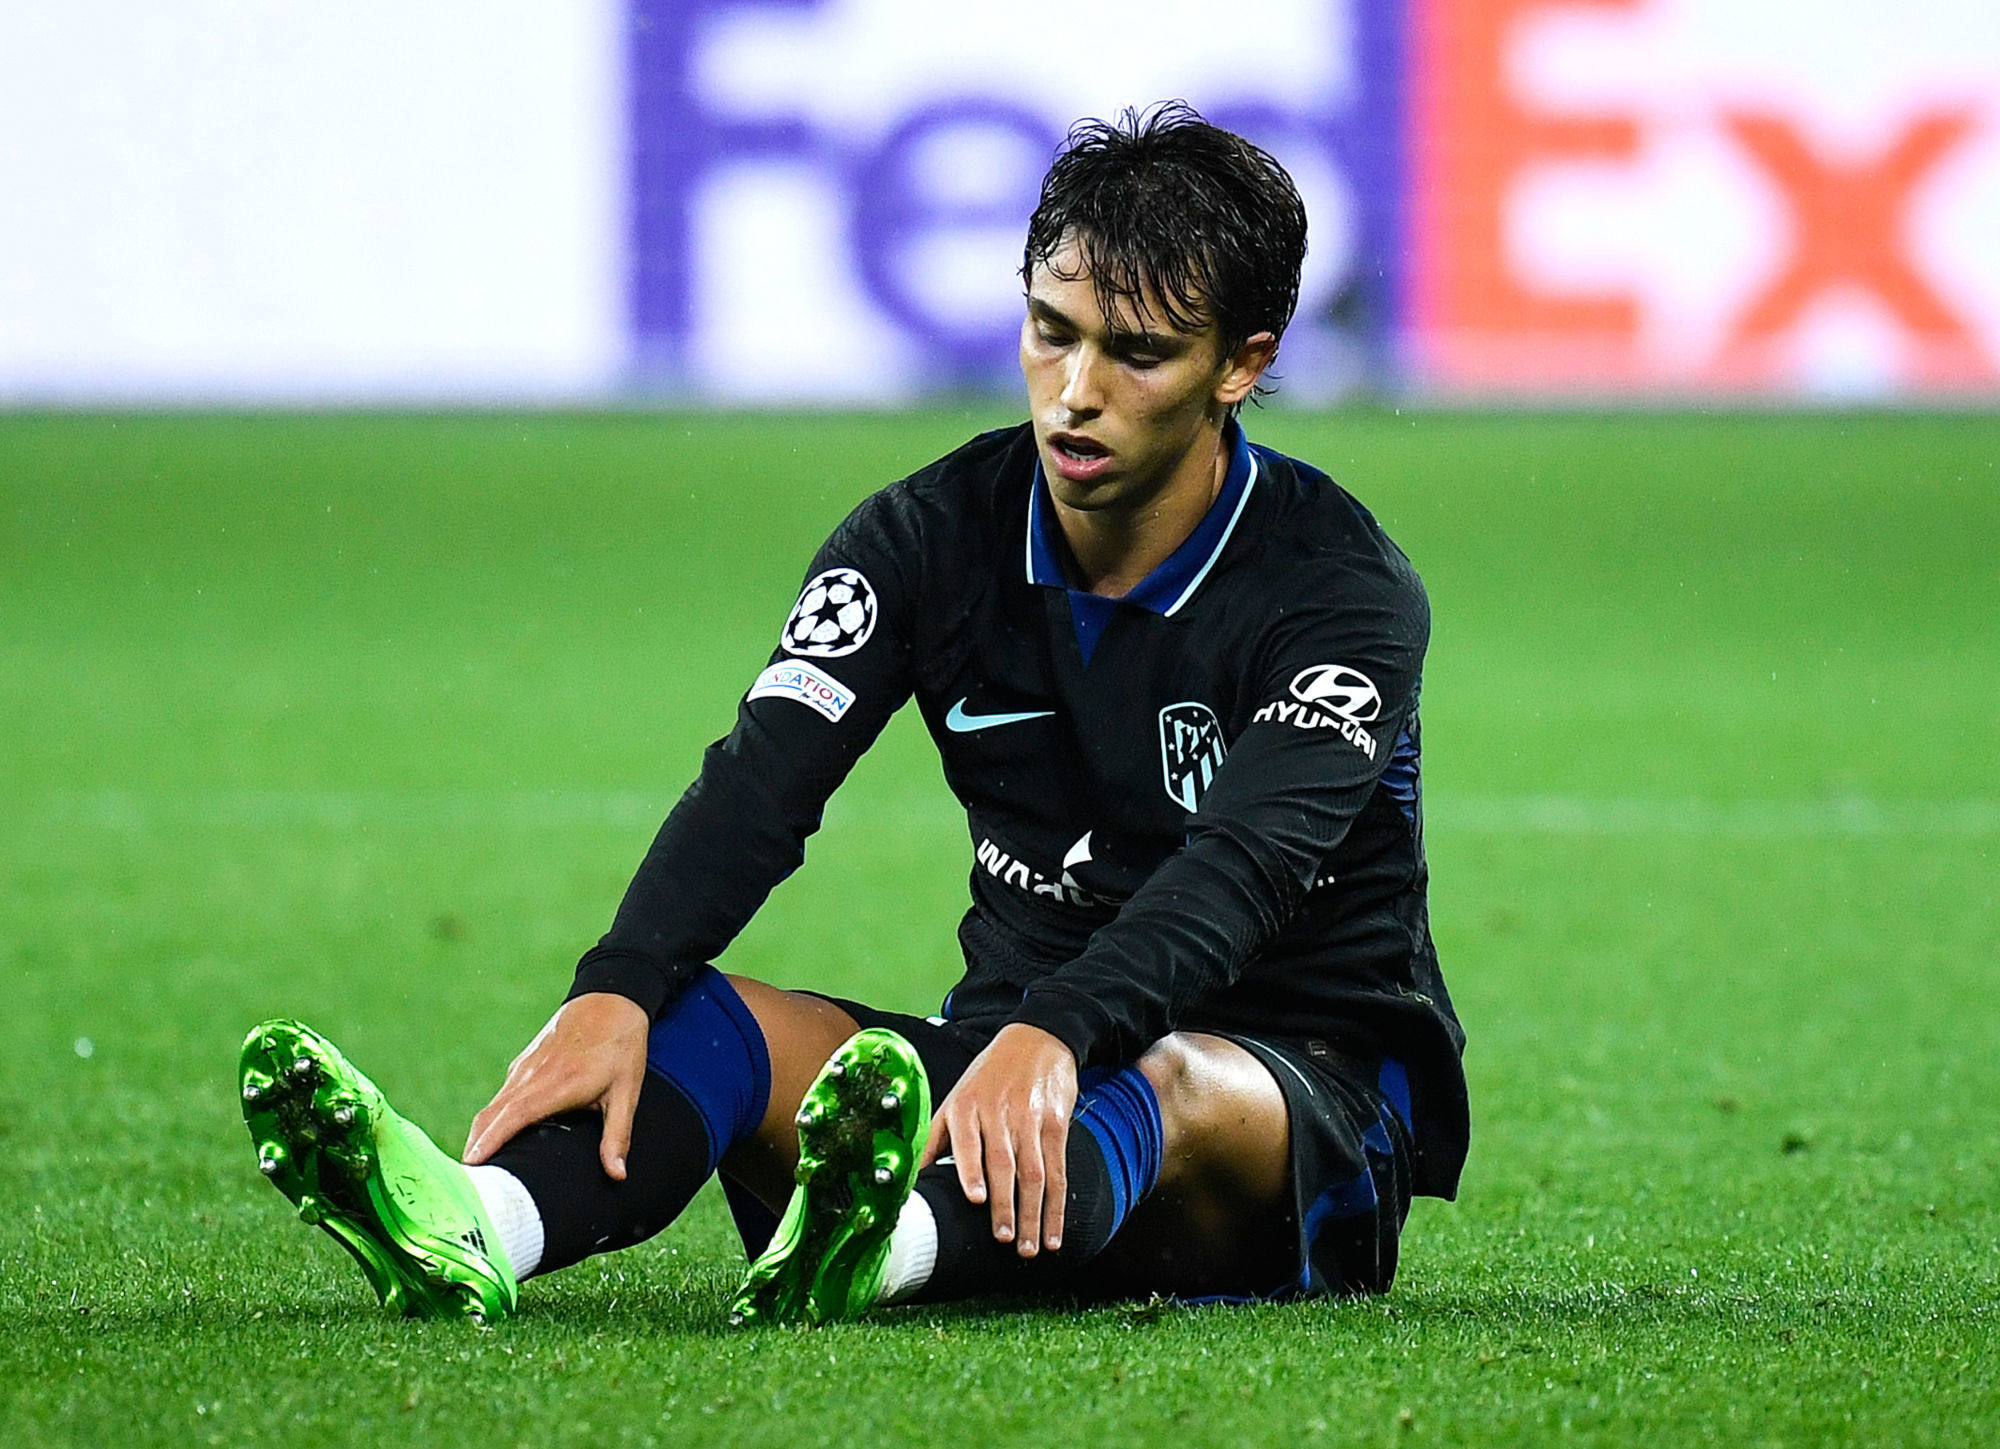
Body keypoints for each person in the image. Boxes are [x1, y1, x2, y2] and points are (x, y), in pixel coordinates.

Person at [238, 101, 1467, 1327]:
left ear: (1240, 365)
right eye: (1050, 332)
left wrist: (1060, 1029)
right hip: (1006, 1060)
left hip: (1293, 1102)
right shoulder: (926, 537)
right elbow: (760, 783)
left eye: (1136, 354)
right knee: (709, 1018)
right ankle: (481, 1224)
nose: (1073, 393)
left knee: (1168, 1075)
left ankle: (882, 1247)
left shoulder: (1337, 593)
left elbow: (1240, 874)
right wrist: (613, 986)